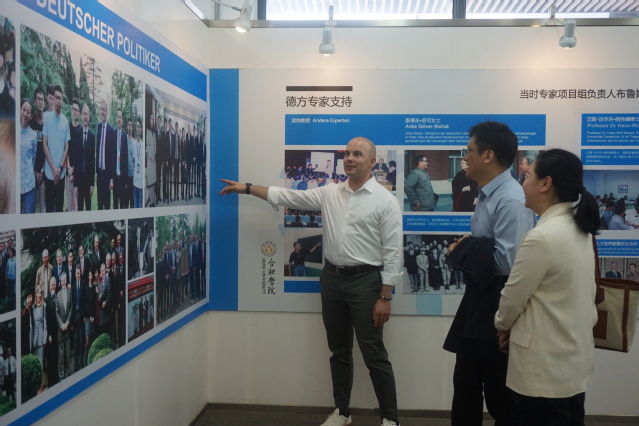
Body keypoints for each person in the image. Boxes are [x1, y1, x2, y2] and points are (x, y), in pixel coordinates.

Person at [220, 136, 403, 426]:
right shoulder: (330, 193)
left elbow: (393, 251)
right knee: (339, 351)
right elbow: (287, 196)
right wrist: (247, 188)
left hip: (366, 283)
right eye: (347, 153)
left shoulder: (385, 201)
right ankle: (342, 413)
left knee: (374, 354)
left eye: (357, 154)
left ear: (371, 162)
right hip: (332, 281)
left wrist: (385, 296)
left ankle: (390, 420)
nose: (350, 158)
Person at [494, 149, 600, 425]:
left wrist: (502, 325)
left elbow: (512, 299)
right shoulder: (580, 229)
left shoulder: (541, 237)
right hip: (572, 362)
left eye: (528, 176)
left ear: (545, 184)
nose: (522, 183)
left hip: (543, 369)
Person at [444, 121, 535, 426]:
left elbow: (508, 263)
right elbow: (488, 248)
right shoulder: (486, 194)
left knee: (500, 397)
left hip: (498, 305)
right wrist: (470, 247)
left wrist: (463, 250)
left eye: (469, 150)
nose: (464, 157)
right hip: (479, 301)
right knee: (465, 388)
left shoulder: (510, 199)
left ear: (488, 155)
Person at [42, 85, 70, 212]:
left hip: (61, 174)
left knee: (59, 209)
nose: (58, 100)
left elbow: (67, 146)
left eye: (60, 98)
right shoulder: (47, 118)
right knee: (49, 210)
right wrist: (53, 169)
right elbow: (44, 144)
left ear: (62, 100)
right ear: (53, 99)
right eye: (56, 97)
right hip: (49, 173)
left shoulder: (65, 121)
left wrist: (60, 168)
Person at [71, 103, 96, 211]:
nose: (85, 117)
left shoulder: (92, 136)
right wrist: (75, 185)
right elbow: (76, 160)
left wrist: (92, 184)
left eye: (87, 114)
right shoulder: (77, 134)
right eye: (84, 114)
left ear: (89, 117)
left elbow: (92, 162)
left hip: (88, 181)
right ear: (81, 115)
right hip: (79, 181)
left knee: (88, 208)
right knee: (80, 208)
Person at [96, 99, 115, 210]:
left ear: (107, 112)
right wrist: (96, 173)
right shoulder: (98, 127)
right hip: (99, 174)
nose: (102, 112)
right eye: (101, 109)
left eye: (104, 110)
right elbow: (98, 150)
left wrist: (111, 179)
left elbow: (112, 157)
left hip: (107, 175)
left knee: (106, 206)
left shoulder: (111, 131)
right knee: (99, 206)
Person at [20, 98, 38, 213]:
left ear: (31, 116)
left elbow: (33, 158)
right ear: (20, 110)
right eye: (23, 110)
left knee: (28, 217)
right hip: (16, 183)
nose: (25, 114)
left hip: (29, 183)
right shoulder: (13, 131)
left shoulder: (33, 135)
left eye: (28, 112)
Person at [55, 272, 72, 380]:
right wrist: (61, 324)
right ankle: (61, 376)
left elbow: (71, 308)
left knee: (67, 354)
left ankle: (67, 373)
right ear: (60, 282)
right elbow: (56, 312)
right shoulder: (58, 295)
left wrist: (67, 322)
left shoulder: (70, 292)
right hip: (61, 329)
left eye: (64, 280)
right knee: (61, 356)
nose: (63, 282)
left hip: (68, 327)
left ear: (66, 280)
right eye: (62, 281)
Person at [113, 108, 128, 209]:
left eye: (120, 117)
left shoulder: (125, 136)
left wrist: (125, 180)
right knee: (115, 202)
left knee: (122, 203)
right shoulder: (113, 133)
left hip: (122, 178)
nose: (119, 119)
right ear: (116, 119)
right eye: (118, 117)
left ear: (122, 120)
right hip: (115, 177)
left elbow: (126, 160)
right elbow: (111, 157)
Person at [146, 112, 157, 207]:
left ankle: (153, 200)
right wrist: (151, 156)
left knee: (153, 180)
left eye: (153, 119)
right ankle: (151, 202)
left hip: (154, 159)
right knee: (150, 181)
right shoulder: (147, 130)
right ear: (149, 120)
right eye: (151, 118)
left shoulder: (154, 131)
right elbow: (147, 146)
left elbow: (155, 145)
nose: (152, 120)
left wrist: (155, 155)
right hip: (150, 160)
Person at [133, 118, 144, 208]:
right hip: (134, 182)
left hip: (141, 183)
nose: (137, 129)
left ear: (141, 129)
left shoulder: (143, 145)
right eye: (136, 126)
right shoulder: (133, 144)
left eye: (139, 127)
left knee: (140, 206)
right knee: (135, 206)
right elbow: (133, 162)